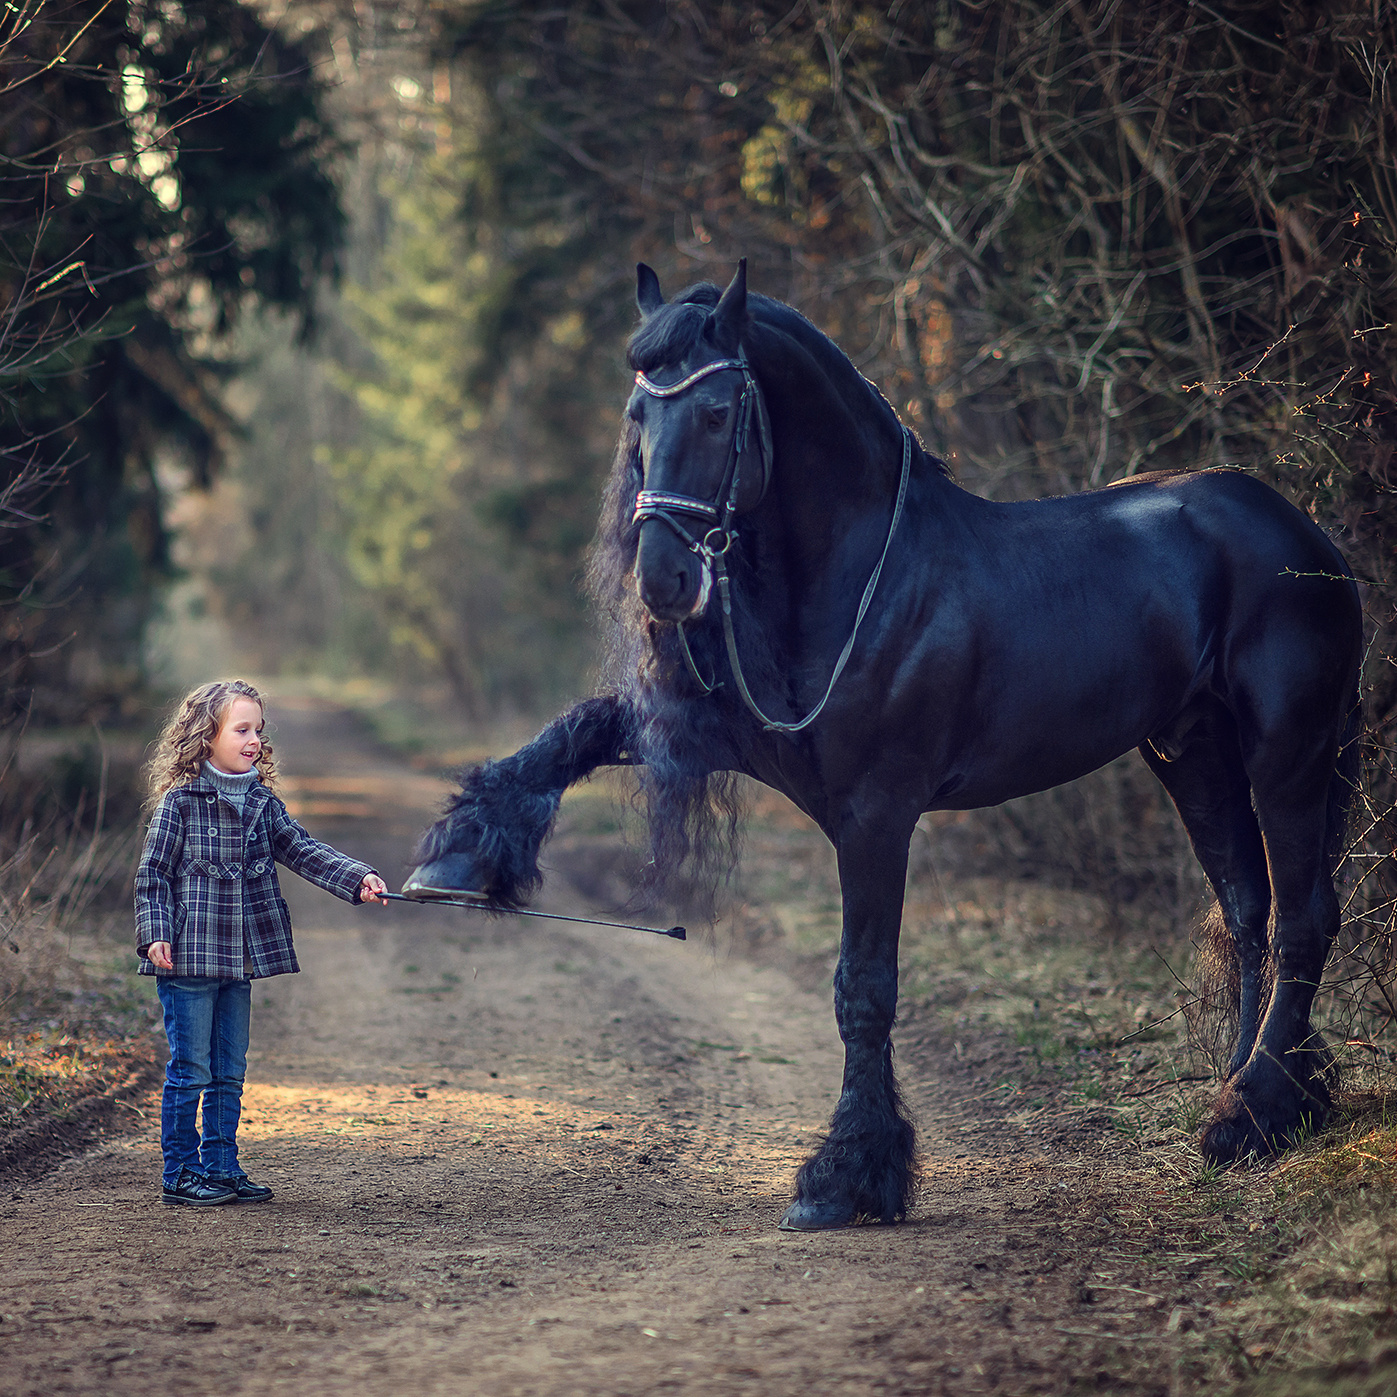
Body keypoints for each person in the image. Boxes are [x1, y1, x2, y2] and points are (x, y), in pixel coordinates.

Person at [135, 679, 388, 1206]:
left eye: (258, 730)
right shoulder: (180, 803)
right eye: (241, 729)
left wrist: (357, 878)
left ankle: (221, 1167)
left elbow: (303, 849)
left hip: (238, 960)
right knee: (191, 1070)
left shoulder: (261, 803)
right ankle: (179, 1173)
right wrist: (155, 932)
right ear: (206, 736)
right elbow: (152, 875)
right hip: (187, 958)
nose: (253, 740)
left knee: (229, 1070)